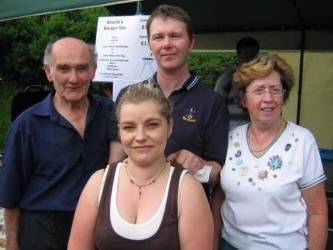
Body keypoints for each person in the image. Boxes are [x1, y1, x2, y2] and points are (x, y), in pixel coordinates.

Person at [0, 37, 120, 250]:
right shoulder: (27, 125)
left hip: (97, 229)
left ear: (93, 70)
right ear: (49, 72)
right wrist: (13, 244)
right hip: (43, 232)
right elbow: (10, 194)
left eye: (82, 68)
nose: (73, 78)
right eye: (64, 69)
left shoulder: (111, 113)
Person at [68, 83, 214, 250]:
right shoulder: (98, 183)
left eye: (152, 124)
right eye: (129, 127)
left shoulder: (188, 190)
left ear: (169, 127)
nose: (140, 136)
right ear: (119, 131)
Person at [212, 54, 328, 250]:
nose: (268, 98)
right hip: (230, 245)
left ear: (284, 96)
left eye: (275, 90)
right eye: (258, 91)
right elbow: (220, 198)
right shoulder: (232, 138)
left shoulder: (302, 141)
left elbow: (317, 212)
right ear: (243, 99)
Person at [114, 5, 229, 194]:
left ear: (191, 43)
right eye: (158, 37)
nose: (167, 44)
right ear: (150, 45)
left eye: (175, 36)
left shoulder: (212, 103)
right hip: (134, 203)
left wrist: (201, 166)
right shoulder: (128, 97)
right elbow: (115, 160)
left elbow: (219, 174)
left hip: (186, 207)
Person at [214, 37, 259, 129]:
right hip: (232, 135)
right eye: (246, 54)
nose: (249, 58)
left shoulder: (261, 79)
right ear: (239, 55)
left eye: (253, 55)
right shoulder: (227, 78)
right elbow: (215, 107)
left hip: (255, 134)